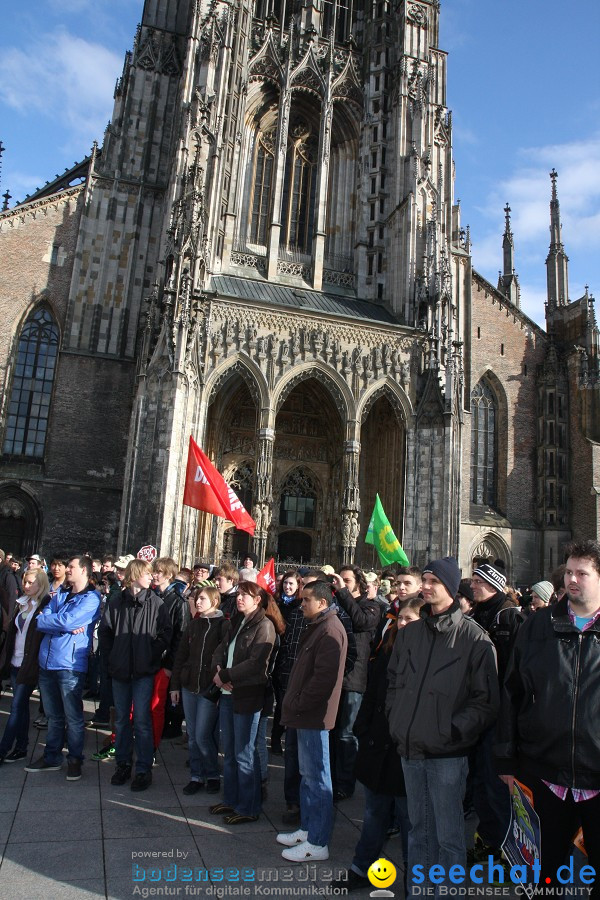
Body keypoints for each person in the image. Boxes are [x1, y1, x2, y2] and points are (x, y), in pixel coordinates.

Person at [386, 556, 499, 894]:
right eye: (425, 579)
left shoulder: (474, 639)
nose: (426, 586)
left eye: (433, 581)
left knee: (448, 836)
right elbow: (393, 681)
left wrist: (450, 731)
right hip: (409, 747)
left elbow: (486, 702)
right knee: (418, 830)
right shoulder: (411, 634)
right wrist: (397, 719)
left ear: (450, 587)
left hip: (447, 753)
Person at [496, 539, 600, 897]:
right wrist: (508, 758)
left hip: (597, 777)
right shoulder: (539, 624)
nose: (572, 579)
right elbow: (513, 692)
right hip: (546, 774)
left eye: (582, 573)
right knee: (543, 878)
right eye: (568, 572)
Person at [334, 595, 423, 891]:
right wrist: (363, 729)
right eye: (402, 618)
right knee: (374, 814)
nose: (404, 623)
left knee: (411, 822)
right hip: (378, 746)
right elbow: (372, 692)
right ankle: (361, 868)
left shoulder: (428, 656)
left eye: (411, 619)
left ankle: (414, 882)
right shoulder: (389, 648)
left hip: (407, 751)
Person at [277, 579, 348, 862]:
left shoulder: (331, 629)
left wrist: (297, 702)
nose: (301, 603)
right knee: (308, 777)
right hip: (305, 714)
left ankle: (318, 842)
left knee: (318, 778)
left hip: (314, 716)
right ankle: (308, 829)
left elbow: (323, 681)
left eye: (306, 599)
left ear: (321, 602)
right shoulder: (320, 625)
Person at [25, 556, 101, 780]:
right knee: (53, 715)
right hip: (47, 662)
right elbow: (43, 618)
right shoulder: (61, 594)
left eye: (71, 567)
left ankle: (75, 759)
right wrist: (58, 622)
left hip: (69, 664)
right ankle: (52, 756)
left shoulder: (91, 598)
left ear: (84, 571)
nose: (67, 570)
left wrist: (56, 622)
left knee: (73, 716)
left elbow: (67, 621)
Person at [99, 559, 172, 791]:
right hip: (120, 670)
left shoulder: (156, 603)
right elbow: (106, 633)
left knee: (141, 720)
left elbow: (166, 634)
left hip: (143, 671)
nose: (152, 577)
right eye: (148, 573)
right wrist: (112, 659)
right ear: (135, 574)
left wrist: (151, 654)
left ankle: (142, 769)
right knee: (121, 720)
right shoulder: (116, 602)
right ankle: (122, 764)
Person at [469, 559, 524, 862]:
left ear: (493, 584)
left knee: (496, 786)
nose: (473, 584)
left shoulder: (510, 616)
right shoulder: (478, 613)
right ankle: (489, 839)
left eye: (478, 580)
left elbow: (518, 672)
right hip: (479, 710)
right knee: (480, 782)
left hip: (500, 714)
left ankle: (508, 851)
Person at [208, 580, 276, 824]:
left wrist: (225, 675)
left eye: (245, 595)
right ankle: (231, 799)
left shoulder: (265, 625)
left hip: (247, 694)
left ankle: (249, 807)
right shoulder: (236, 622)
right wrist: (218, 670)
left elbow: (257, 663)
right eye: (238, 595)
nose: (239, 599)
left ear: (258, 600)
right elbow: (221, 648)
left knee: (245, 753)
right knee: (230, 751)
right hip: (227, 693)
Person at [170, 584, 228, 794]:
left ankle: (212, 773)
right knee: (193, 734)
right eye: (196, 599)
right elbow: (181, 656)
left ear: (214, 601)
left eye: (201, 598)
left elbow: (224, 657)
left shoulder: (223, 625)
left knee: (203, 734)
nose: (197, 602)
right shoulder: (194, 625)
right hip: (189, 685)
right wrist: (174, 685)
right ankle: (196, 775)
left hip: (208, 688)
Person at [330, 565, 380, 801]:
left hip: (354, 679)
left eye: (347, 580)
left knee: (346, 734)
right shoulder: (337, 604)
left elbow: (360, 622)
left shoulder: (371, 606)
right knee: (331, 731)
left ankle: (345, 782)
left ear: (359, 583)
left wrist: (343, 593)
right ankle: (330, 777)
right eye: (341, 581)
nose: (342, 584)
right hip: (333, 676)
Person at [0, 569, 51, 763]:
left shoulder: (45, 603)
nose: (26, 586)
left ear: (41, 584)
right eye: (25, 582)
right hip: (14, 660)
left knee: (16, 707)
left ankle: (3, 749)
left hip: (29, 663)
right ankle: (21, 747)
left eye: (31, 583)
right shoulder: (22, 603)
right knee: (20, 708)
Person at [151, 557, 189, 742]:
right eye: (154, 571)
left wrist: (170, 665)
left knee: (158, 704)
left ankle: (155, 740)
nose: (154, 575)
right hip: (151, 657)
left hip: (165, 660)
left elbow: (180, 637)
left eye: (159, 572)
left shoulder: (179, 602)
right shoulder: (153, 596)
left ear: (169, 575)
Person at [271, 569, 303, 755]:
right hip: (274, 656)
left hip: (289, 659)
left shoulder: (300, 606)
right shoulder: (275, 603)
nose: (288, 587)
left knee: (284, 703)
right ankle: (275, 737)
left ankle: (277, 738)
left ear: (298, 586)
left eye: (291, 583)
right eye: (285, 583)